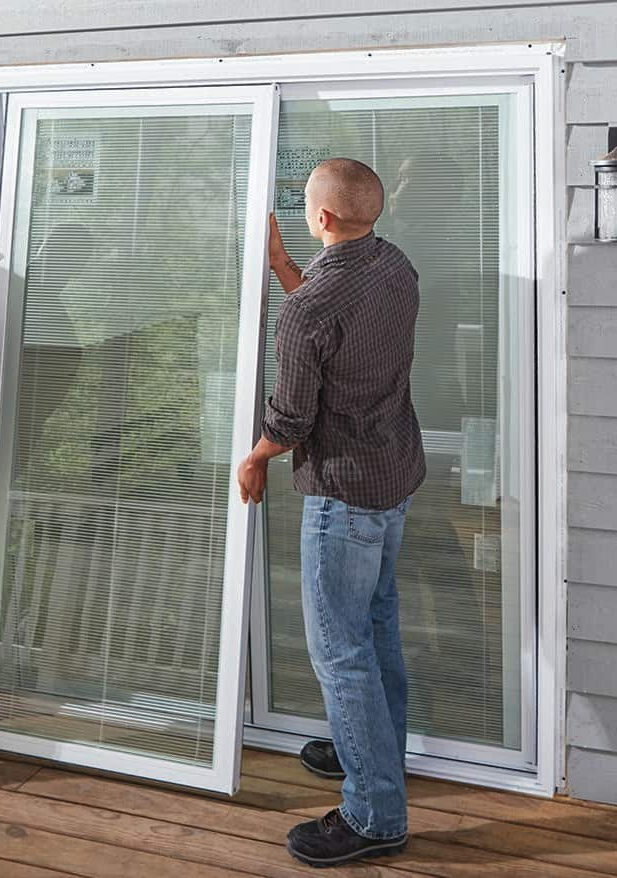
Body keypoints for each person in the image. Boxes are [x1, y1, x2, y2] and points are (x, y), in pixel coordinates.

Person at [238, 158, 426, 866]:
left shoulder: (311, 308)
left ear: (320, 217)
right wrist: (286, 265)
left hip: (344, 497)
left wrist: (255, 458)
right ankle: (378, 757)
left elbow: (289, 418)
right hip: (393, 478)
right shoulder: (394, 267)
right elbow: (330, 327)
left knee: (341, 653)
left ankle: (375, 815)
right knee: (376, 633)